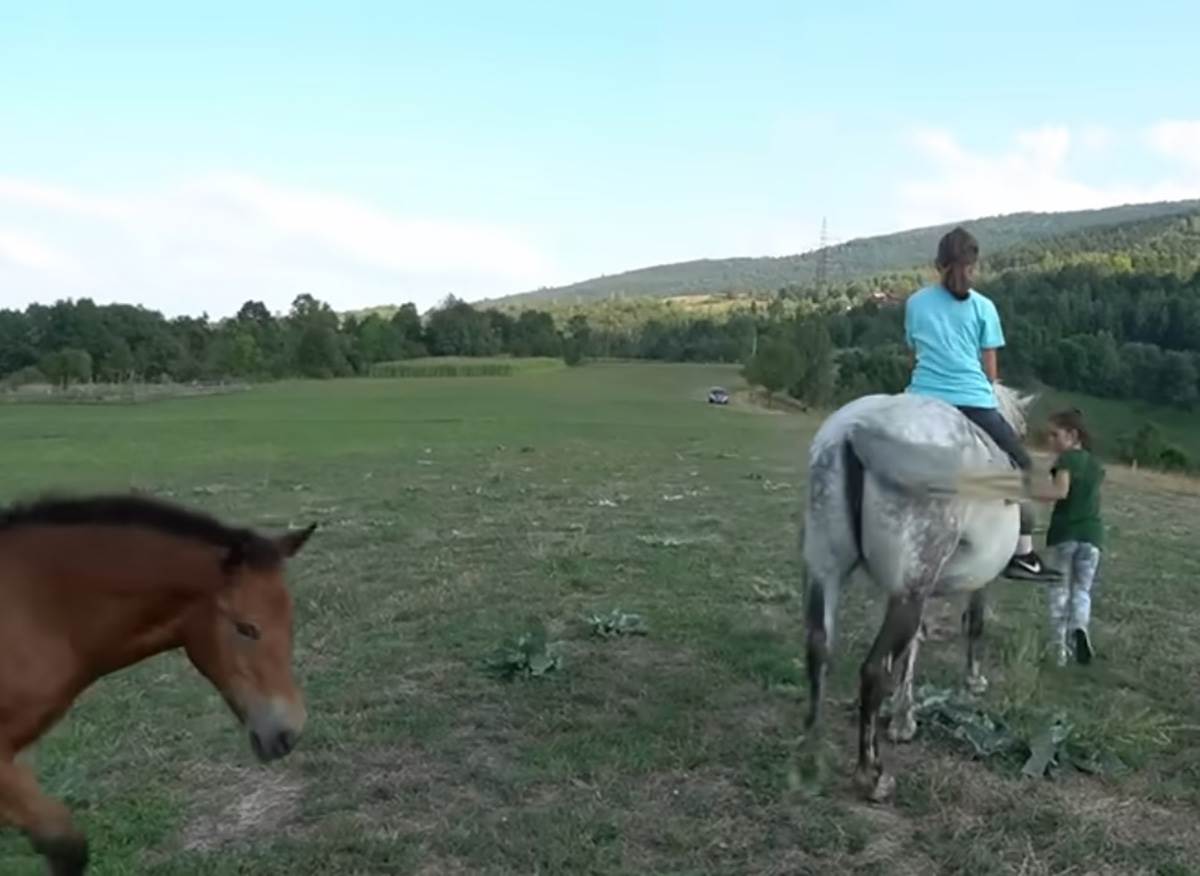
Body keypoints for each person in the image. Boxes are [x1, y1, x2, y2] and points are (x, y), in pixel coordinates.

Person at [904, 226, 1061, 582]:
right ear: (974, 266)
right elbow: (990, 374)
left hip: (922, 399)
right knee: (1022, 467)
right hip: (973, 402)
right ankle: (1022, 555)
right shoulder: (985, 308)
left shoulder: (915, 302)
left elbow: (914, 351)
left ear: (936, 264)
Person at [1043, 409, 1105, 665]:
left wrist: (1025, 492)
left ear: (1072, 434)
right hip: (1092, 537)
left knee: (1059, 590)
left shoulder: (1066, 459)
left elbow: (1060, 491)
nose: (1050, 440)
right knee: (1082, 590)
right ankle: (1079, 627)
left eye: (1054, 434)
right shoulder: (1095, 464)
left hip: (1065, 534)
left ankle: (1058, 649)